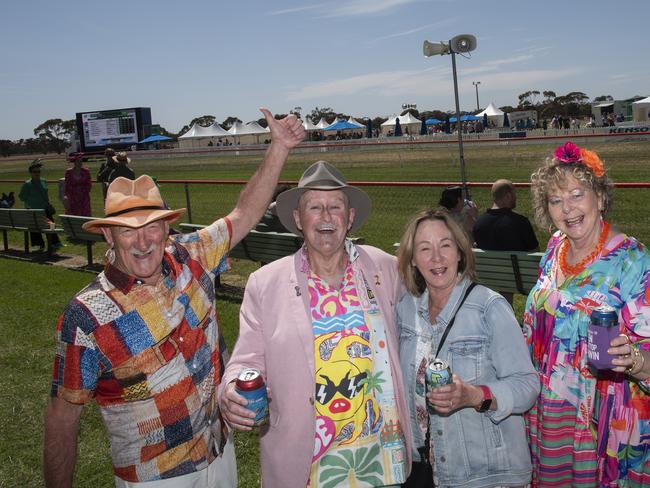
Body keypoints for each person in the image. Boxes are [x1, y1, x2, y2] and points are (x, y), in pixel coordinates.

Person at [43, 108, 305, 488]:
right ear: (108, 236)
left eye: (152, 226)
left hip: (219, 455)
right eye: (128, 231)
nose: (144, 240)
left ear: (167, 228)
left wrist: (279, 147)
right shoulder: (87, 315)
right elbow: (62, 417)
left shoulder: (192, 255)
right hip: (154, 478)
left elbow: (244, 213)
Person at [219, 161, 413, 487]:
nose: (325, 216)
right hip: (307, 466)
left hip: (381, 460)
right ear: (298, 218)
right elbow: (246, 359)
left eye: (335, 206)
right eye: (314, 207)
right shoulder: (265, 283)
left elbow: (422, 327)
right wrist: (232, 389)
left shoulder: (384, 268)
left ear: (349, 217)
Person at [524, 141, 650, 486]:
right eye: (555, 200)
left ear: (600, 196)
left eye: (577, 194)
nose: (567, 209)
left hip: (604, 422)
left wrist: (636, 361)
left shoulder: (633, 260)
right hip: (550, 415)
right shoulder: (554, 248)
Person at [396, 208, 539, 487]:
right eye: (424, 249)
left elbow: (527, 386)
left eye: (445, 245)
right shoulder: (406, 311)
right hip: (423, 469)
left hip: (486, 474)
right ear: (413, 260)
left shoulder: (489, 307)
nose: (436, 258)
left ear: (460, 252)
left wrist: (473, 395)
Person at [473, 179, 539, 252]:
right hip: (515, 263)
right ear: (508, 196)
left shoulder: (478, 224)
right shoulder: (521, 222)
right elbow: (535, 252)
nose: (516, 198)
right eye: (514, 194)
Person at [18, 159, 63, 251]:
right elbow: (22, 197)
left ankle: (55, 243)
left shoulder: (43, 181)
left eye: (38, 171)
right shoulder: (27, 184)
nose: (37, 173)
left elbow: (45, 194)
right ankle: (40, 245)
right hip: (33, 210)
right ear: (30, 173)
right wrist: (32, 201)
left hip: (45, 209)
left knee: (51, 225)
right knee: (35, 229)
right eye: (35, 172)